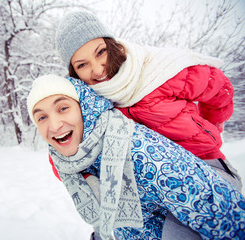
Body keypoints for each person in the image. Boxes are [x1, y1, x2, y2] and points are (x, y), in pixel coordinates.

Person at [27, 74, 245, 240]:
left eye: (63, 108)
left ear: (83, 108)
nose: (54, 125)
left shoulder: (134, 146)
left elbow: (223, 211)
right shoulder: (72, 163)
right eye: (42, 117)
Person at [54, 10, 242, 192]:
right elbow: (63, 152)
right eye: (82, 64)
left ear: (110, 45)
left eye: (100, 52)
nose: (97, 70)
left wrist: (211, 125)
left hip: (204, 165)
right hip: (151, 189)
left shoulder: (159, 69)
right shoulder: (84, 102)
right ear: (75, 72)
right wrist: (86, 178)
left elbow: (219, 87)